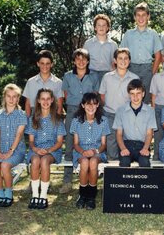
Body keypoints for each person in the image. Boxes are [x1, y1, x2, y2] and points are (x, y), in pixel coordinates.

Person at [59, 48, 100, 194]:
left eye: (84, 59)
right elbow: (65, 94)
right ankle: (67, 180)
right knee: (70, 144)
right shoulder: (68, 76)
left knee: (90, 141)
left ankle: (92, 177)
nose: (81, 62)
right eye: (78, 59)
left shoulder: (94, 76)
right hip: (72, 111)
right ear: (74, 61)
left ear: (88, 61)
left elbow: (96, 95)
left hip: (89, 112)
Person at [26, 88, 66, 210]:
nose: (45, 101)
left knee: (44, 161)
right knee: (36, 161)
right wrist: (36, 149)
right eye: (42, 99)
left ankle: (43, 195)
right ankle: (35, 195)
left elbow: (60, 142)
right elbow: (31, 141)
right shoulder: (33, 118)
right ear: (38, 100)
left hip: (53, 150)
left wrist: (48, 150)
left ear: (52, 100)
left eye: (48, 98)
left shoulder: (58, 119)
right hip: (36, 149)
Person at [70, 92, 110, 210]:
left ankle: (91, 196)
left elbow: (103, 144)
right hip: (80, 151)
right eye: (88, 104)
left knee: (92, 162)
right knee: (84, 162)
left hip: (97, 152)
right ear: (83, 105)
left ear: (98, 105)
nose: (91, 107)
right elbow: (76, 144)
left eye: (94, 104)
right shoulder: (76, 121)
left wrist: (95, 151)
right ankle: (82, 195)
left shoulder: (103, 121)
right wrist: (83, 152)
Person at [0, 84, 27, 207]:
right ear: (4, 97)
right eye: (9, 96)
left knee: (5, 165)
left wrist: (10, 152)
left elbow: (19, 135)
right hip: (0, 148)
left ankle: (9, 194)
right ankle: (0, 194)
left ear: (18, 98)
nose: (11, 99)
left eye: (14, 97)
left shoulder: (21, 114)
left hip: (16, 150)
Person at [99, 48, 139, 160]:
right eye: (120, 58)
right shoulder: (107, 77)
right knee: (111, 141)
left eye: (126, 58)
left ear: (129, 61)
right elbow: (102, 96)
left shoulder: (135, 78)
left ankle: (125, 171)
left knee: (126, 142)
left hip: (127, 115)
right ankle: (113, 169)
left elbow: (137, 98)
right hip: (110, 114)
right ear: (115, 61)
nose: (123, 61)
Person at [120, 2, 162, 103]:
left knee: (145, 99)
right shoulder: (128, 34)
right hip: (130, 68)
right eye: (138, 15)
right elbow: (121, 54)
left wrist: (152, 73)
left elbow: (158, 56)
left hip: (147, 69)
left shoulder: (153, 34)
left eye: (143, 15)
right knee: (130, 97)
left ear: (148, 16)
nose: (141, 18)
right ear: (134, 17)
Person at [113, 79, 157, 167]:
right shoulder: (121, 110)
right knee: (124, 162)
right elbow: (119, 134)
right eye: (132, 94)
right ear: (129, 94)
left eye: (138, 93)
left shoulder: (150, 111)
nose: (135, 97)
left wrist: (145, 148)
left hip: (142, 145)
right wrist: (123, 148)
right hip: (126, 144)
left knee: (145, 163)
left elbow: (149, 134)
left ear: (143, 94)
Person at [23, 50, 63, 117]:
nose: (45, 66)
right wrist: (28, 122)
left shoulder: (58, 82)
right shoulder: (30, 82)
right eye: (42, 63)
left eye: (47, 63)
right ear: (38, 64)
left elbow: (60, 105)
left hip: (52, 117)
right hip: (34, 117)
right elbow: (27, 104)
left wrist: (57, 122)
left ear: (52, 64)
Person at [84, 14, 118, 84]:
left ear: (108, 28)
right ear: (95, 28)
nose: (101, 27)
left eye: (104, 25)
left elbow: (115, 63)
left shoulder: (113, 45)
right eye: (99, 25)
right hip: (91, 74)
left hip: (107, 74)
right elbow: (84, 61)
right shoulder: (88, 43)